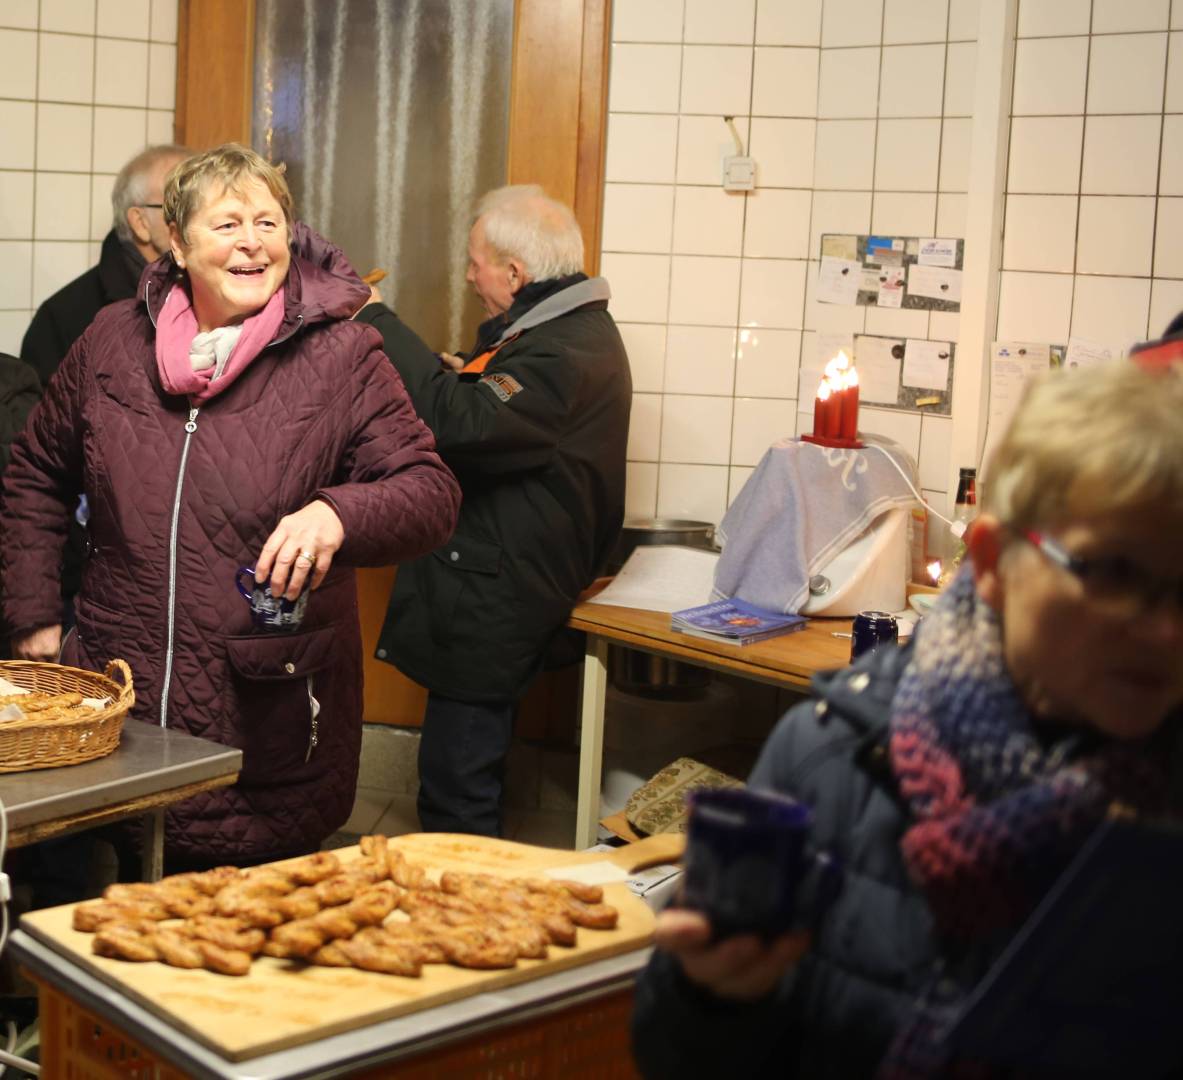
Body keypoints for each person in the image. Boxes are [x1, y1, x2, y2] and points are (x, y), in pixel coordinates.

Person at [632, 359, 1183, 1077]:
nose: (1164, 631)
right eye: (1113, 574)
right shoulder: (836, 759)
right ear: (990, 561)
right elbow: (677, 1053)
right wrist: (711, 994)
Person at [1, 144, 461, 869]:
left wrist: (337, 513)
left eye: (268, 221)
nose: (252, 241)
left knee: (229, 948)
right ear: (177, 244)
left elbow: (430, 492)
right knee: (99, 936)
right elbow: (35, 471)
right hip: (113, 699)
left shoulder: (344, 356)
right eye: (226, 224)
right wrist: (32, 613)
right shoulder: (110, 341)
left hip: (265, 712)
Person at [355, 183, 631, 837]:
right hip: (499, 583)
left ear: (515, 272)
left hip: (497, 596)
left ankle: (463, 922)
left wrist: (374, 317)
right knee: (459, 776)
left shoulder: (563, 349)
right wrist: (464, 377)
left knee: (457, 789)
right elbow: (501, 412)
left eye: (477, 260)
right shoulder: (558, 332)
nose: (470, 273)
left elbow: (464, 426)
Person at [20, 144, 191, 388]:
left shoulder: (221, 296)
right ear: (140, 222)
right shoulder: (63, 319)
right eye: (180, 205)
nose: (197, 217)